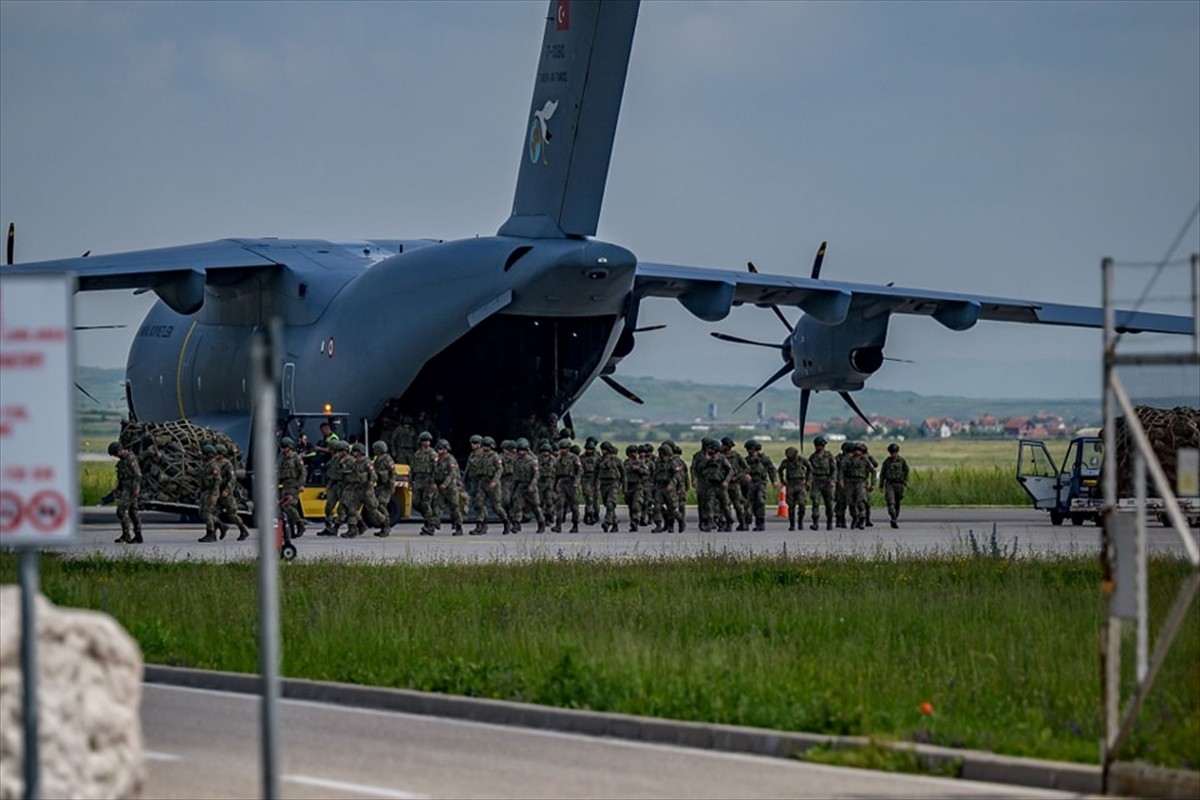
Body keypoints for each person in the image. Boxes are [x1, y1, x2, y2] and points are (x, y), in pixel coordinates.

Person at [109, 441, 143, 544]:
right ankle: (137, 536)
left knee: (121, 511)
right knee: (133, 512)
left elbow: (137, 476)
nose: (116, 456)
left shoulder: (130, 459)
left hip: (131, 490)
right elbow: (121, 477)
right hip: (125, 489)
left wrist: (136, 490)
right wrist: (118, 489)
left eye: (116, 454)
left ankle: (127, 535)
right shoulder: (122, 462)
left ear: (120, 450)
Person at [695, 439, 732, 532]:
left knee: (725, 505)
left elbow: (730, 470)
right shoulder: (705, 459)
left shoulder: (722, 458)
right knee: (709, 504)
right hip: (710, 485)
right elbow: (699, 468)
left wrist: (726, 481)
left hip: (720, 485)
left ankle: (728, 522)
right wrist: (707, 460)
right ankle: (710, 523)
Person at [215, 444, 250, 541]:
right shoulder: (215, 464)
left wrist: (227, 490)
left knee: (232, 514)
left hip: (226, 494)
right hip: (218, 492)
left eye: (217, 453)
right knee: (214, 513)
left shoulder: (227, 465)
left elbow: (232, 479)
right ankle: (215, 532)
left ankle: (243, 530)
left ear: (221, 454)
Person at [510, 438, 545, 533]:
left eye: (523, 450)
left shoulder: (532, 461)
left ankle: (541, 523)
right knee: (517, 504)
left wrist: (532, 485)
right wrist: (512, 488)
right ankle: (516, 523)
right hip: (521, 485)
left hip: (530, 485)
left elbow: (537, 474)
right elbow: (515, 475)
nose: (521, 452)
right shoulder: (516, 460)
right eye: (519, 450)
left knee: (535, 506)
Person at [338, 442, 373, 538]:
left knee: (373, 508)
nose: (354, 453)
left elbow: (372, 476)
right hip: (355, 488)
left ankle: (383, 524)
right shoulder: (355, 462)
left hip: (363, 488)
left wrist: (369, 488)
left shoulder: (366, 462)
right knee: (351, 509)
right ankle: (353, 529)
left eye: (356, 451)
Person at [319, 440, 351, 536]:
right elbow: (331, 469)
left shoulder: (350, 461)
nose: (337, 453)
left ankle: (342, 527)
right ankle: (329, 527)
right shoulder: (335, 459)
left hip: (344, 486)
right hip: (334, 484)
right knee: (329, 506)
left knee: (345, 508)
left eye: (339, 451)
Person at [277, 437, 308, 538]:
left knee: (288, 505)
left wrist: (301, 484)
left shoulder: (296, 458)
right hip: (285, 485)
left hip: (294, 485)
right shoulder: (282, 459)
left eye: (284, 447)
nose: (282, 449)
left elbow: (303, 472)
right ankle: (291, 530)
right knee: (284, 508)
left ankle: (300, 524)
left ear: (289, 448)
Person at [433, 439, 465, 535]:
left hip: (450, 487)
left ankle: (459, 527)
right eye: (438, 448)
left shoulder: (450, 460)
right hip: (440, 487)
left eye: (441, 448)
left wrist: (445, 484)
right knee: (437, 506)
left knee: (454, 508)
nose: (439, 450)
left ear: (446, 449)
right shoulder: (437, 460)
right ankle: (433, 525)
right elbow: (434, 472)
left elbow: (452, 474)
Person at [840, 443, 875, 530]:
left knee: (861, 501)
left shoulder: (865, 460)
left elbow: (873, 471)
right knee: (850, 502)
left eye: (859, 450)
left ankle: (862, 520)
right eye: (856, 450)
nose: (857, 452)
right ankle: (855, 518)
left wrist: (873, 483)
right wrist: (841, 481)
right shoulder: (848, 460)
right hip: (850, 482)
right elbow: (842, 471)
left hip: (861, 482)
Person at [777, 446, 811, 531]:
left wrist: (808, 481)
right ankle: (792, 524)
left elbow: (810, 469)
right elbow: (780, 470)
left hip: (800, 483)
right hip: (790, 483)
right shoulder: (786, 462)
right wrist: (782, 480)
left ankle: (800, 522)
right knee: (791, 505)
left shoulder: (802, 460)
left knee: (802, 503)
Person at [650, 443, 682, 532]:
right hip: (660, 487)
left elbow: (677, 475)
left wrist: (672, 484)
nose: (662, 456)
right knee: (657, 506)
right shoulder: (658, 462)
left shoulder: (673, 463)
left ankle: (677, 521)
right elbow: (655, 474)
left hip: (669, 487)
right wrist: (653, 484)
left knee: (672, 508)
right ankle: (658, 525)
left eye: (663, 454)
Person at [410, 431, 438, 535]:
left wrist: (434, 483)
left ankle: (430, 525)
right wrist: (410, 480)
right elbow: (412, 468)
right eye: (424, 440)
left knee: (426, 503)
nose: (426, 443)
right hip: (418, 480)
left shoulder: (433, 454)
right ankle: (430, 519)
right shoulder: (417, 454)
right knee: (416, 502)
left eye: (428, 441)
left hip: (428, 480)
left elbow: (437, 469)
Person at [552, 438, 582, 532]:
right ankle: (558, 525)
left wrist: (576, 482)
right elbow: (556, 473)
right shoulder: (558, 459)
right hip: (562, 482)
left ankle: (575, 525)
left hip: (571, 483)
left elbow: (579, 471)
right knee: (559, 504)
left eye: (564, 448)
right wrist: (555, 485)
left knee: (574, 506)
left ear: (568, 449)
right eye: (561, 448)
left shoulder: (574, 458)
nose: (562, 450)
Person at [196, 443, 224, 543]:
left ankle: (211, 534)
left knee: (207, 513)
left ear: (209, 455)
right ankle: (221, 525)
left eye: (204, 454)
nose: (202, 455)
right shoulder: (205, 464)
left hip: (211, 491)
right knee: (201, 513)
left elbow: (218, 480)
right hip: (205, 491)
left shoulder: (214, 466)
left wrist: (215, 494)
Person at [808, 436, 836, 531]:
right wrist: (808, 482)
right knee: (815, 502)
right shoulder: (812, 457)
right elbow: (809, 471)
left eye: (821, 446)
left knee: (829, 503)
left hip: (827, 481)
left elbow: (834, 469)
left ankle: (830, 523)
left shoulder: (829, 456)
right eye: (817, 446)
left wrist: (832, 480)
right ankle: (815, 523)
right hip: (816, 481)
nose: (819, 448)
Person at [368, 441, 396, 537]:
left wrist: (392, 486)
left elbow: (393, 474)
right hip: (379, 485)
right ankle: (383, 526)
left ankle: (386, 525)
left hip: (386, 486)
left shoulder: (388, 460)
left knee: (381, 505)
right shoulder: (377, 459)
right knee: (377, 505)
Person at [596, 441, 625, 532]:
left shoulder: (617, 460)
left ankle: (607, 522)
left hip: (614, 483)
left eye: (605, 450)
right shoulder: (599, 461)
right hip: (603, 484)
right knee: (608, 504)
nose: (603, 452)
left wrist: (624, 486)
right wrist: (594, 485)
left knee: (610, 503)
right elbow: (595, 473)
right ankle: (615, 524)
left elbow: (624, 474)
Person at [880, 443, 910, 528]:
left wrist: (905, 481)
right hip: (890, 484)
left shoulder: (902, 461)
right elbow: (882, 473)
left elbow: (906, 471)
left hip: (899, 484)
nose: (893, 454)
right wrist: (881, 485)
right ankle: (893, 517)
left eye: (895, 452)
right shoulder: (887, 462)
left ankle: (895, 517)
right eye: (892, 452)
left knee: (897, 502)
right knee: (891, 502)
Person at [580, 438, 600, 525]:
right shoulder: (581, 458)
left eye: (591, 449)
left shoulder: (598, 458)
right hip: (585, 479)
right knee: (589, 497)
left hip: (595, 478)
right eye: (588, 449)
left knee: (595, 497)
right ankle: (589, 514)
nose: (589, 451)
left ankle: (596, 513)